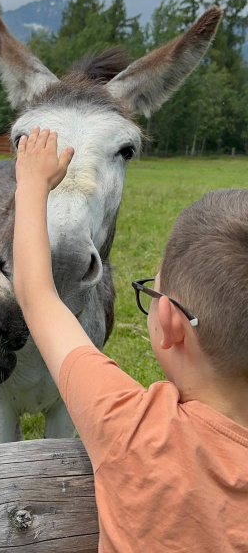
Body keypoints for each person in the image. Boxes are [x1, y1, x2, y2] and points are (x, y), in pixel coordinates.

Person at [13, 126, 248, 552]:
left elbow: (36, 295)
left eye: (152, 293)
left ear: (171, 322)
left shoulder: (134, 428)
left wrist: (31, 184)